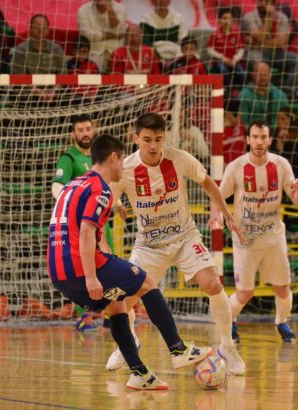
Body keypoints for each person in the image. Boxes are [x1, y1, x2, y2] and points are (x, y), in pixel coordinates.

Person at [47, 133, 211, 390]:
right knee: (148, 282)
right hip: (80, 264)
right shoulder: (101, 189)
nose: (124, 166)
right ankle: (178, 350)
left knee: (116, 307)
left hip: (58, 272)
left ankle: (140, 374)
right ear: (113, 157)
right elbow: (87, 232)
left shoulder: (74, 184)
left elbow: (77, 228)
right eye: (122, 160)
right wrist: (91, 276)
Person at [106, 112, 246, 375]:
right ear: (136, 138)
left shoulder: (179, 158)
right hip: (149, 244)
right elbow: (108, 194)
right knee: (123, 301)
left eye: (158, 139)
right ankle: (128, 342)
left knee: (213, 284)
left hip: (184, 237)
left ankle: (227, 346)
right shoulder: (126, 168)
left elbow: (207, 183)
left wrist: (227, 215)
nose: (153, 145)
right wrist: (117, 204)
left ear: (164, 138)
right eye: (147, 139)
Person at [215, 121, 298, 344]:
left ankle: (282, 322)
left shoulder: (281, 164)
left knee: (283, 288)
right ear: (248, 140)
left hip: (274, 237)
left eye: (263, 137)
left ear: (269, 140)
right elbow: (219, 195)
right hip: (245, 239)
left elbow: (296, 200)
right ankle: (229, 323)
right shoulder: (236, 167)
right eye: (255, 137)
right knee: (245, 293)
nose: (259, 142)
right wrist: (216, 215)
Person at [52, 115, 119, 331]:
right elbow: (57, 186)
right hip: (80, 224)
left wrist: (117, 203)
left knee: (109, 263)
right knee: (81, 266)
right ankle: (84, 316)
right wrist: (71, 207)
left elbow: (104, 185)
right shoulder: (69, 158)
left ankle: (112, 313)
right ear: (73, 133)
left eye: (88, 128)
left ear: (94, 130)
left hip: (101, 222)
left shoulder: (98, 158)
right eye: (80, 130)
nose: (85, 133)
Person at [241, 0, 298, 88]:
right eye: (259, 1)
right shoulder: (248, 17)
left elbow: (281, 42)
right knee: (260, 65)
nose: (261, 4)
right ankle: (260, 92)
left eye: (265, 2)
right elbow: (260, 36)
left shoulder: (282, 18)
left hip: (277, 52)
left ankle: (288, 91)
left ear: (272, 4)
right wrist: (269, 18)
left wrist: (257, 41)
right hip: (256, 51)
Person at [77, 0, 126, 72]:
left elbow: (119, 30)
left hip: (116, 51)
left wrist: (110, 10)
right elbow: (87, 35)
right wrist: (113, 36)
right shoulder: (83, 10)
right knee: (93, 67)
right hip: (94, 52)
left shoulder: (120, 8)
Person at [239, 61, 289, 130]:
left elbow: (286, 120)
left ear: (270, 75)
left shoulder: (280, 96)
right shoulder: (244, 95)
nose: (263, 77)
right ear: (253, 75)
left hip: (274, 133)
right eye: (260, 75)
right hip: (252, 133)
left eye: (265, 74)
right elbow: (243, 122)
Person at [207, 8, 246, 89]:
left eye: (229, 19)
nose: (227, 21)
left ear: (233, 21)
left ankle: (239, 90)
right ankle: (228, 90)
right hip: (219, 61)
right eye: (224, 18)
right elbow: (210, 50)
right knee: (224, 71)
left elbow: (241, 50)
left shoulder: (237, 34)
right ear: (219, 21)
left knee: (241, 73)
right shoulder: (215, 34)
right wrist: (222, 57)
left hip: (233, 61)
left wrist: (235, 60)